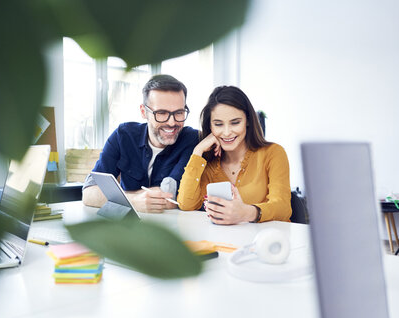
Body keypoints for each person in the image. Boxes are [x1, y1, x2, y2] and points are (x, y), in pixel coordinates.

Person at [82, 74, 198, 213]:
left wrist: (120, 198)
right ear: (144, 112)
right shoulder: (123, 135)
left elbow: (169, 200)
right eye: (161, 113)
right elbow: (89, 194)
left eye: (179, 112)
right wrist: (133, 201)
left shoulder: (191, 139)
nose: (172, 122)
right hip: (128, 227)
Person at [177, 86, 292, 224]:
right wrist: (198, 151)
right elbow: (186, 205)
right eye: (218, 124)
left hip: (269, 241)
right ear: (210, 126)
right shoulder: (208, 164)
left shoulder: (273, 153)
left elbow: (283, 207)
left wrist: (247, 213)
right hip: (226, 243)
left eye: (235, 122)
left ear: (248, 120)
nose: (226, 132)